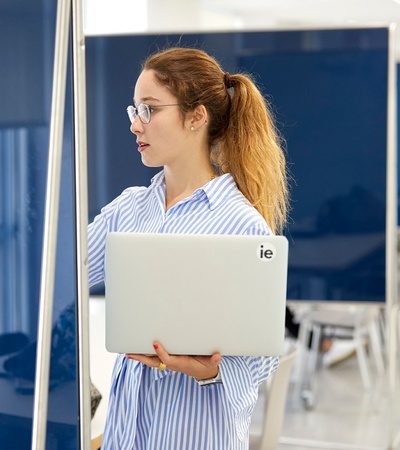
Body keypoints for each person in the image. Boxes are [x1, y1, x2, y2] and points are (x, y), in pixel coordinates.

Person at [88, 47, 289, 450]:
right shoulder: (128, 209)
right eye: (134, 110)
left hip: (194, 434)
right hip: (128, 433)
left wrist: (205, 371)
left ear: (196, 116)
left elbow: (262, 356)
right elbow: (62, 276)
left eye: (149, 110)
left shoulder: (241, 224)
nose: (135, 125)